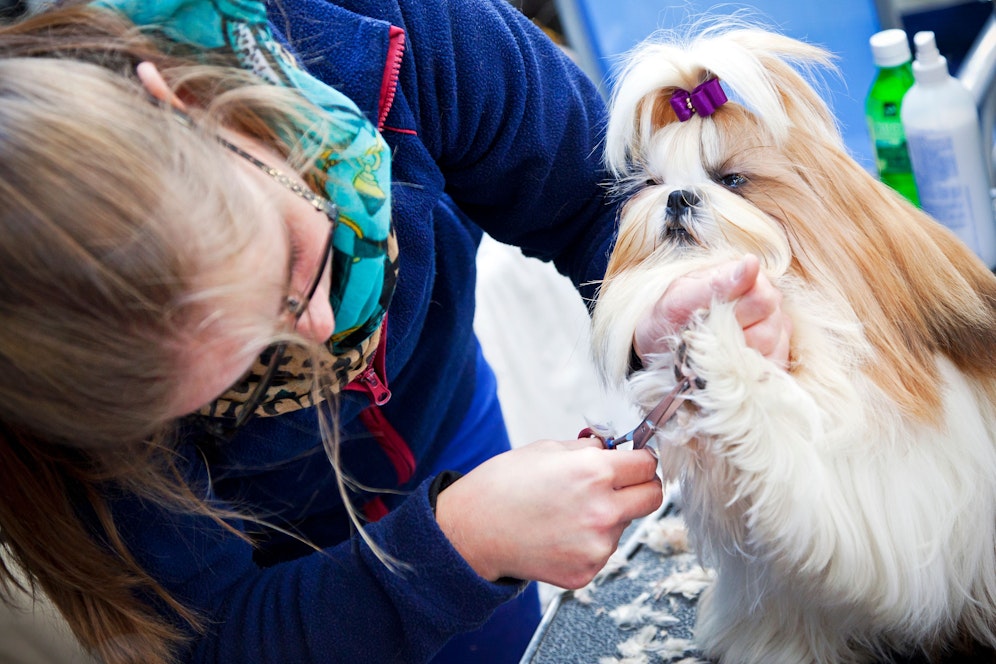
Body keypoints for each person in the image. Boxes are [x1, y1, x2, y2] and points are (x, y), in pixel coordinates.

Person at [0, 1, 790, 663]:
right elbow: (215, 636)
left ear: (183, 111)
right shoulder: (64, 399)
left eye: (291, 268)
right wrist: (461, 545)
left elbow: (590, 199)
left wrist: (644, 305)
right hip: (276, 569)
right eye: (247, 363)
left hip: (444, 417)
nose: (318, 335)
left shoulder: (398, 29)